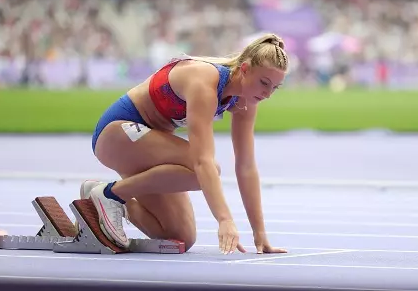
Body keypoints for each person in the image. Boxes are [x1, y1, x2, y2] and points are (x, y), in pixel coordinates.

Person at [82, 33, 290, 255]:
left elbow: (246, 166)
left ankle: (107, 197)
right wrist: (224, 219)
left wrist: (259, 235)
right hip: (116, 134)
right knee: (205, 169)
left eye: (274, 88)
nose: (267, 94)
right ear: (246, 69)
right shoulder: (204, 82)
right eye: (264, 83)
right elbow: (202, 161)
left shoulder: (245, 101)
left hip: (146, 144)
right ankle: (110, 195)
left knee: (181, 237)